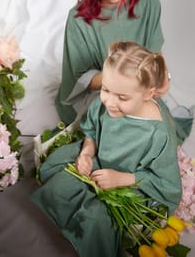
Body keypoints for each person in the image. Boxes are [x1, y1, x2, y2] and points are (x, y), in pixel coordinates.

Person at [31, 41, 182, 257]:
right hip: (101, 157)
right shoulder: (107, 103)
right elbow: (91, 128)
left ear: (148, 94)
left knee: (96, 217)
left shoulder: (158, 134)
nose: (110, 102)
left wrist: (122, 178)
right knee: (57, 165)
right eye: (105, 89)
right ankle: (68, 216)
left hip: (133, 179)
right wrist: (87, 152)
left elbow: (166, 183)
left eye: (122, 97)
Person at [55, 0, 170, 125]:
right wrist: (123, 80)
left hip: (138, 91)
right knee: (114, 133)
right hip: (96, 95)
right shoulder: (78, 19)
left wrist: (162, 76)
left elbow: (154, 56)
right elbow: (80, 80)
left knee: (158, 127)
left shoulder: (150, 4)